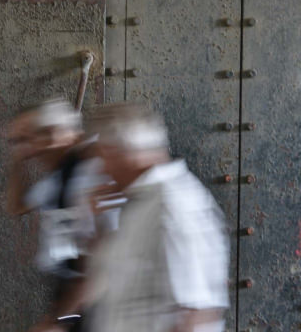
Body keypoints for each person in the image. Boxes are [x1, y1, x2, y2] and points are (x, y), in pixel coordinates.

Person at [48, 103, 230, 332]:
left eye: (102, 156)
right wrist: (59, 323)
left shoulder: (172, 205)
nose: (101, 169)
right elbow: (101, 277)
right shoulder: (139, 203)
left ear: (120, 152)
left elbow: (194, 315)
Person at [6, 99, 120, 332]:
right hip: (72, 292)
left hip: (100, 297)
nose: (28, 149)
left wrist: (59, 322)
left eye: (28, 138)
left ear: (54, 133)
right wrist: (18, 161)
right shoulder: (60, 175)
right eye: (18, 141)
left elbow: (99, 266)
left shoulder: (96, 172)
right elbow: (17, 206)